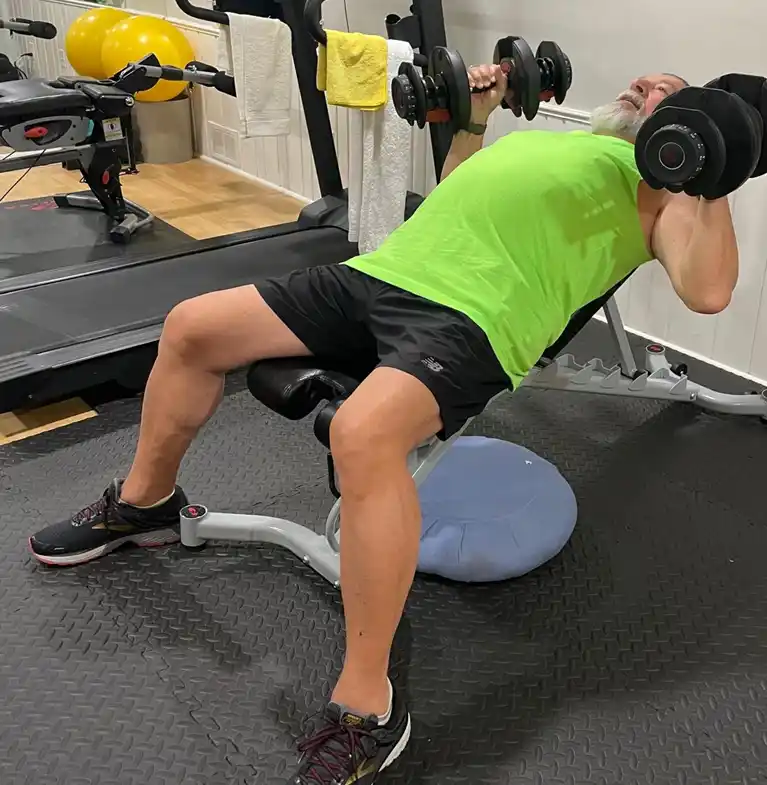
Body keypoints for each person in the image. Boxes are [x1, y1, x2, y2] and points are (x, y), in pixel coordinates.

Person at [29, 64, 739, 783]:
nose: (639, 88)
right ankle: (147, 502)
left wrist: (712, 167)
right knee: (191, 326)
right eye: (640, 81)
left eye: (662, 91)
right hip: (378, 275)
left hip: (471, 320)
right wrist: (472, 120)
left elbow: (707, 290)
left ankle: (369, 707)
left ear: (689, 131)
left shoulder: (667, 194)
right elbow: (456, 190)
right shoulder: (552, 143)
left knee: (362, 432)